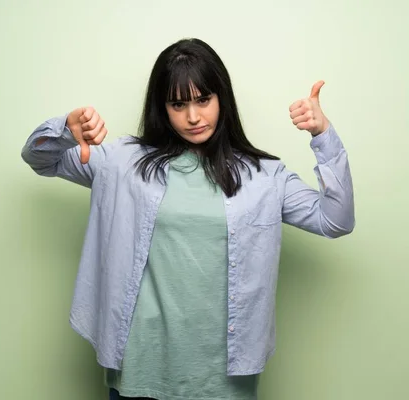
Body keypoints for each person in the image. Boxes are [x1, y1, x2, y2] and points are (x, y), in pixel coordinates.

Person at [21, 37, 355, 400]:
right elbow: (41, 159)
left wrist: (323, 136)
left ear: (221, 99)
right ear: (161, 108)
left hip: (225, 377)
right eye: (178, 104)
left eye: (203, 100)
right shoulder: (121, 163)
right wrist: (66, 132)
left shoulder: (264, 177)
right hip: (140, 367)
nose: (193, 117)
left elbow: (335, 220)